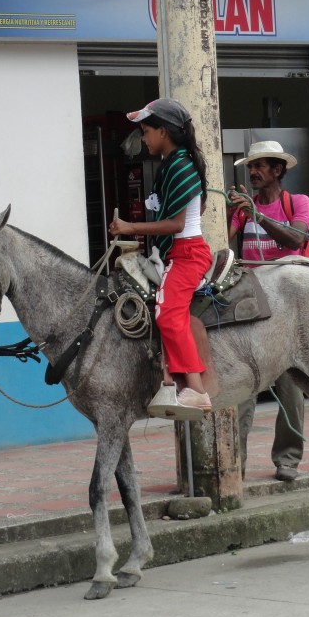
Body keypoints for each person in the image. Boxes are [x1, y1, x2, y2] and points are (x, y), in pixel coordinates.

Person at [109, 98, 213, 415]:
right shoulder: (173, 164)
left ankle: (195, 390)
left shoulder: (180, 166)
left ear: (164, 132)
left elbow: (178, 224)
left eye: (146, 131)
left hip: (187, 253)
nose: (143, 138)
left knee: (168, 313)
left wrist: (130, 227)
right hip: (174, 252)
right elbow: (199, 208)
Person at [228, 140, 309, 481]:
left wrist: (256, 215)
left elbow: (296, 240)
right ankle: (237, 464)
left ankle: (288, 459)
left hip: (287, 312)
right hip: (249, 308)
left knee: (290, 390)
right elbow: (223, 241)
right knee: (241, 390)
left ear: (278, 170)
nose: (253, 172)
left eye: (260, 165)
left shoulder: (298, 203)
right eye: (250, 166)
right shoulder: (242, 209)